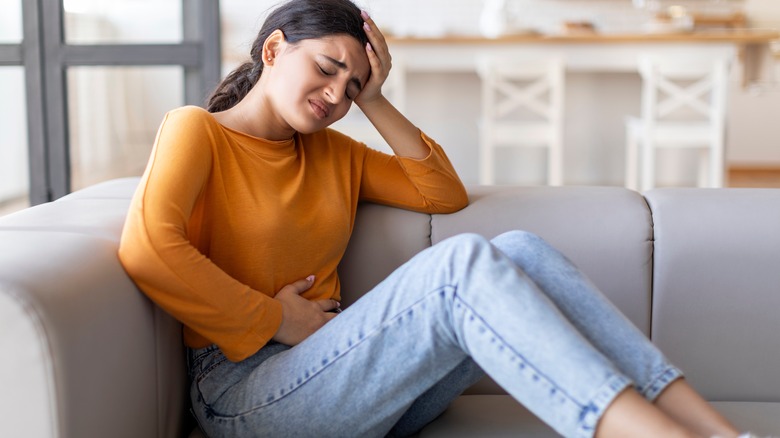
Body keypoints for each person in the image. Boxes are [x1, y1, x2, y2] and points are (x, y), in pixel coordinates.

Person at [118, 1, 756, 437]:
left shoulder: (333, 152)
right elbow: (149, 251)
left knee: (521, 249)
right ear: (275, 48)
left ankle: (721, 433)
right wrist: (277, 318)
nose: (337, 96)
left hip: (355, 389)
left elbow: (441, 192)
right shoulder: (196, 132)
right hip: (243, 398)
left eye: (353, 85)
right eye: (327, 68)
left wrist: (377, 99)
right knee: (460, 266)